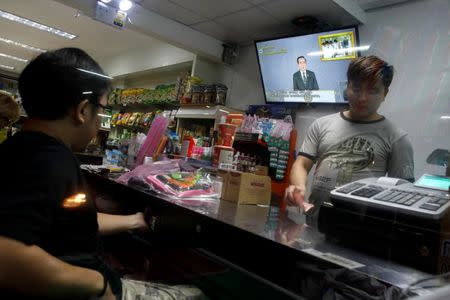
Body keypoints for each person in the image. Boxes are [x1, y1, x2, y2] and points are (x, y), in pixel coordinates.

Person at [0, 48, 203, 300]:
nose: (100, 121)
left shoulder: (25, 149)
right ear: (83, 110)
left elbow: (67, 222)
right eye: (102, 109)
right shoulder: (46, 161)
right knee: (196, 293)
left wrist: (134, 220)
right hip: (93, 291)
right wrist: (96, 283)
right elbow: (6, 253)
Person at [285, 55, 414, 214]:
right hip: (315, 220)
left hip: (362, 230)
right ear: (347, 87)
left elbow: (402, 193)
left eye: (373, 90)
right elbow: (301, 164)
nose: (362, 98)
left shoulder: (397, 138)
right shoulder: (321, 125)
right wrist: (298, 186)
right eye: (357, 89)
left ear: (385, 93)